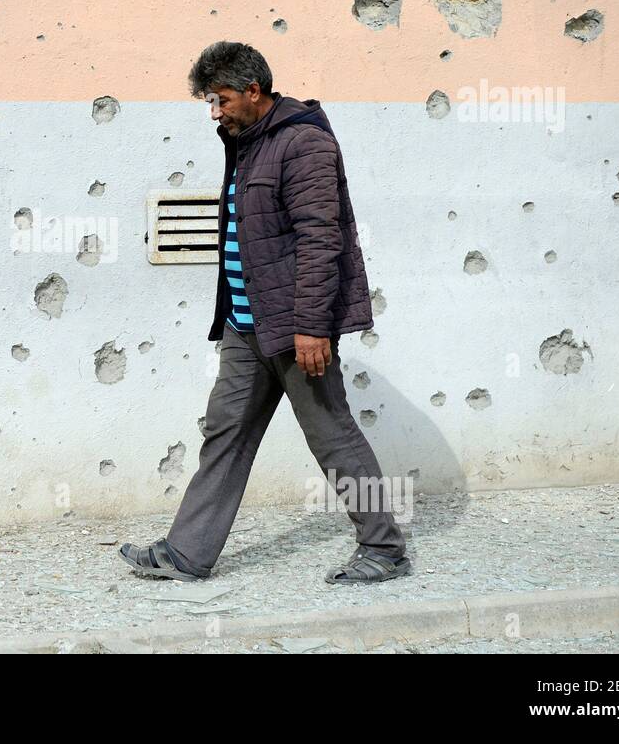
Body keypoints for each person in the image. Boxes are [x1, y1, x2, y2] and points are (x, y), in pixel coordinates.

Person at [120, 41, 411, 585]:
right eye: (210, 101)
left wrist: (311, 327)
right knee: (224, 431)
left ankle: (384, 549)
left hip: (292, 328)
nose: (215, 111)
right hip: (243, 325)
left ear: (254, 91)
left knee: (332, 435)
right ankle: (186, 553)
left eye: (222, 99)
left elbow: (320, 240)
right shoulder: (246, 140)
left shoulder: (303, 144)